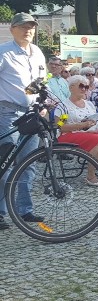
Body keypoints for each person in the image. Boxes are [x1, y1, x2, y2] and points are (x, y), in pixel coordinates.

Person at [0, 13, 47, 229]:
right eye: (23, 26)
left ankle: (24, 209)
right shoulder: (4, 52)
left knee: (28, 164)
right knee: (5, 163)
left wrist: (41, 103)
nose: (28, 30)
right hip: (8, 113)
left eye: (31, 26)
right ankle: (0, 212)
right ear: (12, 29)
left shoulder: (37, 52)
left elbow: (40, 81)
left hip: (31, 113)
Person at [55, 75, 98, 186]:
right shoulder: (64, 106)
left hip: (89, 132)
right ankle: (91, 176)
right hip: (69, 134)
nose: (84, 89)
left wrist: (92, 123)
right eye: (81, 86)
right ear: (71, 88)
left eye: (86, 87)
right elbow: (60, 126)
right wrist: (82, 125)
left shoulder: (89, 104)